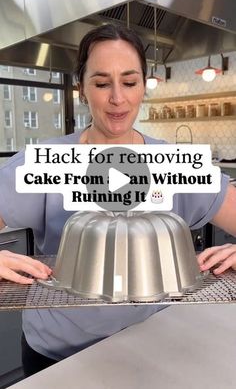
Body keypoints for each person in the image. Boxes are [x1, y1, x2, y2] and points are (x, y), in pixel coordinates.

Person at [0, 24, 236, 377]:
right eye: (100, 83)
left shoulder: (174, 164)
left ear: (143, 85)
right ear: (81, 88)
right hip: (55, 354)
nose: (117, 98)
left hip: (148, 344)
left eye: (129, 82)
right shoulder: (43, 162)